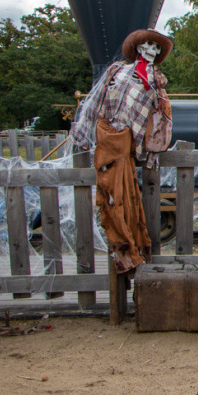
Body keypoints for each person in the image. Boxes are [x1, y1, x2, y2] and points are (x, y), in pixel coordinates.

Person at [70, 28, 173, 274]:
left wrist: (152, 155)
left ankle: (132, 251)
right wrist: (82, 133)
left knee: (129, 201)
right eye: (148, 45)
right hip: (108, 137)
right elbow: (94, 100)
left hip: (129, 146)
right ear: (138, 47)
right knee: (112, 199)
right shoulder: (116, 71)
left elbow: (160, 118)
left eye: (157, 47)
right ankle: (123, 251)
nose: (152, 50)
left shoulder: (157, 82)